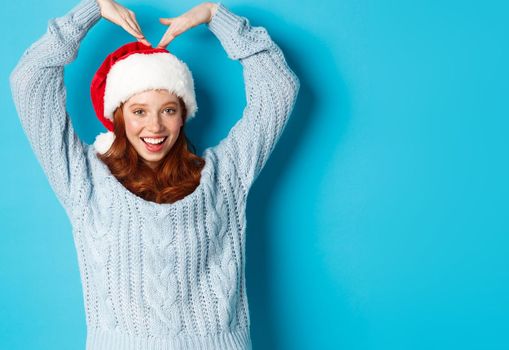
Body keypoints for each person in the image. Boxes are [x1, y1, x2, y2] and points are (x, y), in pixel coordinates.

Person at [9, 0, 300, 348]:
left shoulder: (224, 175)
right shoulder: (84, 179)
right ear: (118, 116)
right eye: (139, 111)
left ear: (184, 114)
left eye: (168, 110)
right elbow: (30, 81)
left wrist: (215, 16)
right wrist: (92, 9)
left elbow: (279, 88)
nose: (155, 126)